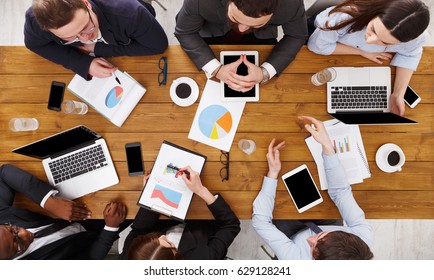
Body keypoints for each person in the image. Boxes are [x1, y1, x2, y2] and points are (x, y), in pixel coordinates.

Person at [252, 116, 374, 260]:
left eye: (312, 248)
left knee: (278, 217)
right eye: (321, 237)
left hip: (292, 234)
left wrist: (272, 174)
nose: (309, 239)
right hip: (326, 221)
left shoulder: (296, 260)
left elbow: (260, 222)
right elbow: (341, 192)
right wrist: (327, 145)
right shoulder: (361, 239)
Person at [307, 0, 430, 116]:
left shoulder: (417, 38)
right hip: (320, 33)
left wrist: (398, 94)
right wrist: (361, 52)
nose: (370, 40)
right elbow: (317, 46)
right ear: (375, 13)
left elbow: (410, 54)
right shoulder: (343, 17)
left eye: (385, 42)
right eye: (373, 29)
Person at [175, 0, 308, 92]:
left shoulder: (292, 4)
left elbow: (296, 35)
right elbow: (185, 32)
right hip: (212, 30)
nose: (242, 29)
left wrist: (265, 73)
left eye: (255, 24)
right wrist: (216, 70)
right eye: (235, 18)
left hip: (261, 36)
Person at [0, 164, 127, 260]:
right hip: (100, 233)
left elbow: (3, 173)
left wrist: (48, 202)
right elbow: (91, 258)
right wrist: (111, 227)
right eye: (18, 244)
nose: (24, 233)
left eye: (13, 230)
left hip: (78, 205)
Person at [24, 0, 168, 80]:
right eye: (70, 37)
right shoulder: (35, 21)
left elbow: (158, 46)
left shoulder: (132, 14)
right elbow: (34, 44)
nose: (86, 39)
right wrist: (83, 63)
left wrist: (97, 49)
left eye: (87, 27)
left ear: (87, 4)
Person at [121, 166, 241, 260]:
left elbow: (138, 231)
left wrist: (149, 197)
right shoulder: (203, 260)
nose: (162, 236)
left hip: (165, 210)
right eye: (168, 243)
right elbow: (231, 225)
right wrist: (201, 190)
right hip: (203, 218)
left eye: (153, 239)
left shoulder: (130, 257)